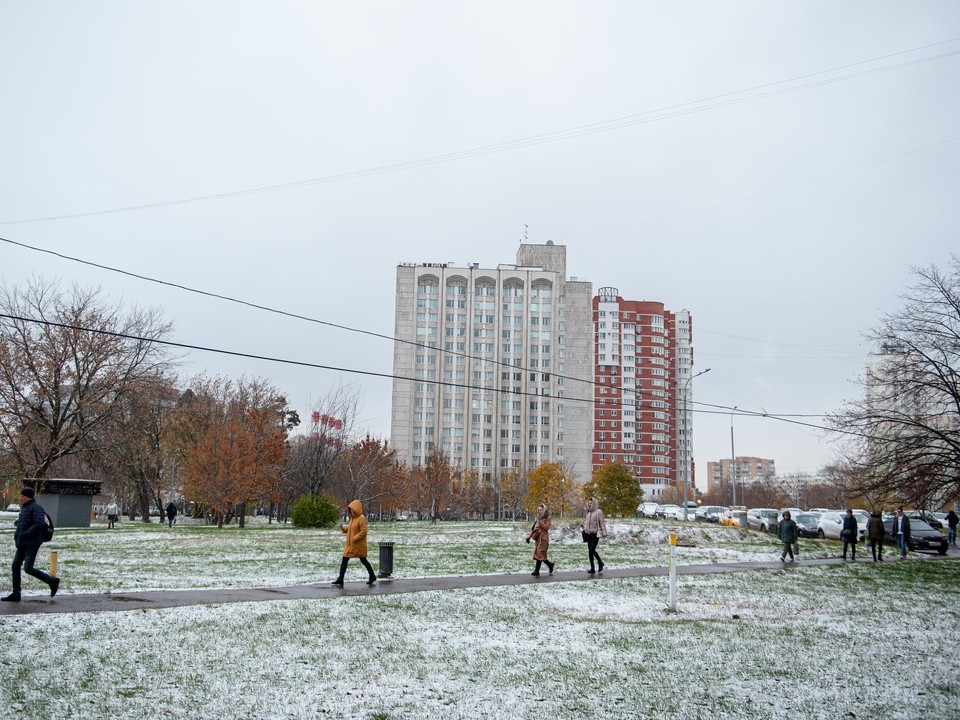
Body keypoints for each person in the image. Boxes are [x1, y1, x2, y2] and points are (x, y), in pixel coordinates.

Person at [2, 487, 60, 602]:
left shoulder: (36, 508)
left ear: (28, 497)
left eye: (23, 496)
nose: (21, 498)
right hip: (22, 542)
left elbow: (39, 523)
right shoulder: (25, 509)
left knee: (28, 568)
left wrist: (27, 533)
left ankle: (52, 581)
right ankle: (16, 593)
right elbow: (27, 522)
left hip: (32, 543)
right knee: (15, 565)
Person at [332, 500, 377, 587]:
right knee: (346, 559)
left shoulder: (361, 518)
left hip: (358, 545)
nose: (350, 511)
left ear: (356, 509)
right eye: (350, 509)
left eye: (351, 509)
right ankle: (341, 578)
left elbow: (364, 531)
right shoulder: (353, 519)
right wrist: (342, 528)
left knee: (363, 560)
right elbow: (348, 530)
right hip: (350, 544)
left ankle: (372, 576)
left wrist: (355, 538)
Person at [526, 503, 554, 576]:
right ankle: (549, 565)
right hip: (538, 538)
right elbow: (534, 529)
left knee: (539, 553)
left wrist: (540, 521)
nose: (539, 512)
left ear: (544, 510)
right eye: (538, 510)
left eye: (541, 510)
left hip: (544, 538)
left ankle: (537, 570)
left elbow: (546, 527)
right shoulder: (538, 518)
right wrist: (529, 537)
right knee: (540, 554)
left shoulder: (548, 518)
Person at [583, 496, 607, 574]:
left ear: (594, 503)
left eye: (591, 503)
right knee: (590, 552)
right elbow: (587, 523)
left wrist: (604, 532)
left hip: (595, 534)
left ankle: (600, 563)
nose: (590, 504)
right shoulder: (588, 512)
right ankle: (592, 568)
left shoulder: (598, 512)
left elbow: (602, 522)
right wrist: (584, 530)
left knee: (591, 551)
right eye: (589, 503)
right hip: (588, 534)